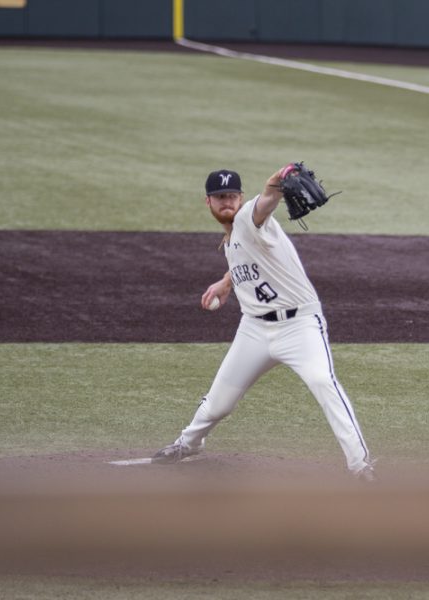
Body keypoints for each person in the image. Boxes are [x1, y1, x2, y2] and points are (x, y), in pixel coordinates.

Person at [153, 165, 375, 482]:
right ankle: (188, 444)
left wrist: (279, 176)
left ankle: (361, 467)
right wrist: (226, 283)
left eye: (231, 196)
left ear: (241, 198)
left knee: (323, 383)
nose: (226, 202)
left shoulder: (248, 217)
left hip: (300, 326)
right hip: (254, 330)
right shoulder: (231, 237)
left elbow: (269, 197)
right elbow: (245, 258)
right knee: (217, 404)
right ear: (209, 203)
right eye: (219, 197)